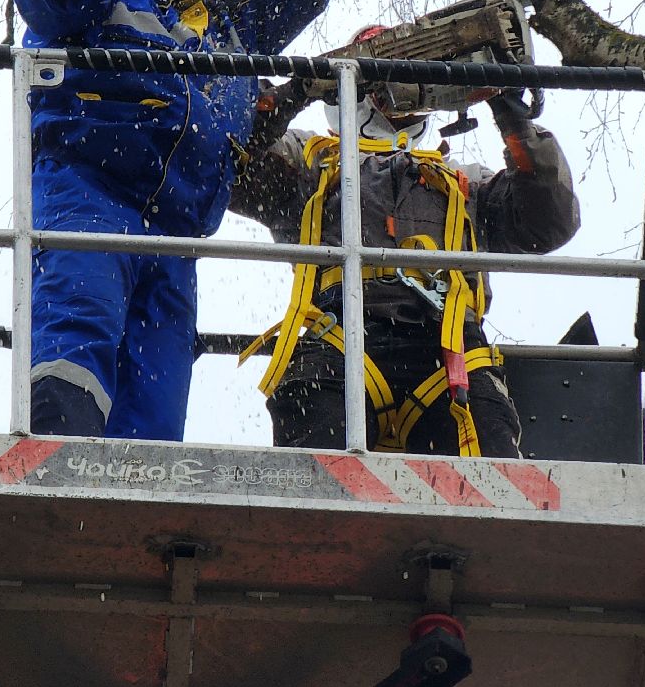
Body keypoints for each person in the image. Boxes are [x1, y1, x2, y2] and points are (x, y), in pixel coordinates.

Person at [9, 0, 341, 440]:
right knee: (77, 347)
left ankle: (125, 533)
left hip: (179, 239)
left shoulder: (229, 28)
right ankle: (54, 487)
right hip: (89, 202)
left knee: (154, 418)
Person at [230, 44, 580, 458]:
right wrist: (297, 90)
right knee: (311, 459)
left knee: (490, 459)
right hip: (340, 336)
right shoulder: (312, 161)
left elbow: (548, 220)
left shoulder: (464, 183)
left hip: (448, 347)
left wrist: (510, 112)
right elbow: (231, 160)